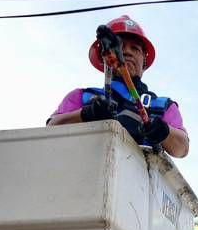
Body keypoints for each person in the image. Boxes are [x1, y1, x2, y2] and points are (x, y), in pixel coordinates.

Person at [47, 15, 190, 158]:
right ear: (104, 57)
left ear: (144, 61)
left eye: (135, 48)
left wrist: (163, 131)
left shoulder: (163, 106)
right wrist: (86, 114)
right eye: (120, 47)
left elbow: (182, 148)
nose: (127, 52)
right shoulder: (82, 96)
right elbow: (50, 130)